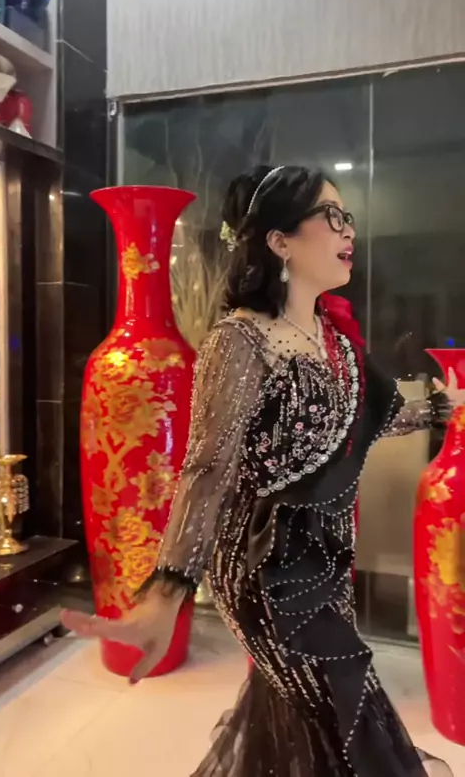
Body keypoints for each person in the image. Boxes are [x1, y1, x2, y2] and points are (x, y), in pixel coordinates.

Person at [62, 166, 459, 776]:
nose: (348, 230)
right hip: (265, 565)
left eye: (348, 217)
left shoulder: (333, 338)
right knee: (344, 717)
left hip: (327, 557)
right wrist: (166, 593)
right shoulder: (241, 340)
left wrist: (439, 407)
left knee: (310, 719)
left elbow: (364, 419)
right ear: (279, 241)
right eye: (331, 216)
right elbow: (207, 468)